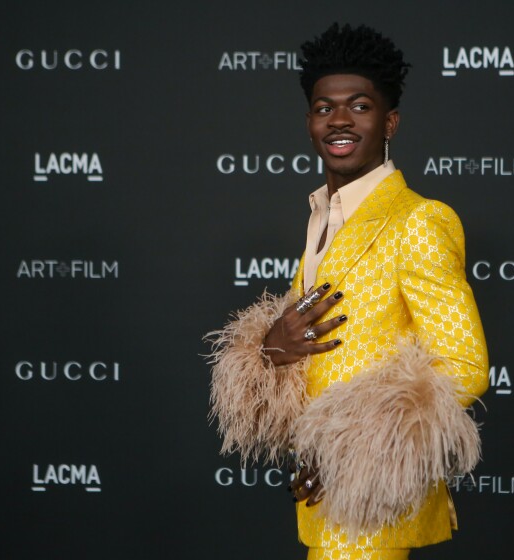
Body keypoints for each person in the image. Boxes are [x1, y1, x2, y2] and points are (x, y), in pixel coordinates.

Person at [207, 23, 488, 560]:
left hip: (374, 502)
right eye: (323, 107)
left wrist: (350, 456)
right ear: (310, 123)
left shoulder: (417, 221)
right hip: (322, 505)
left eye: (359, 106)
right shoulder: (321, 221)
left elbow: (464, 365)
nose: (339, 119)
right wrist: (268, 351)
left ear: (390, 122)